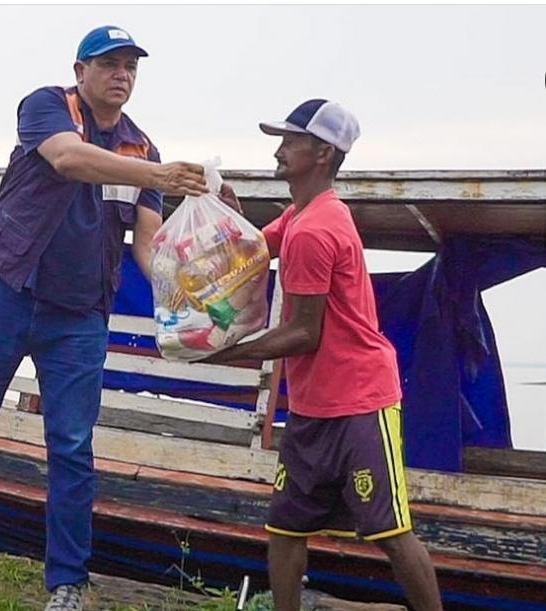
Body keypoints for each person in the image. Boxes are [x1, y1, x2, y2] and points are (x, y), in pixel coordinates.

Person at [0, 25, 207, 611]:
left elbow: (147, 246)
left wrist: (185, 285)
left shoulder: (145, 151)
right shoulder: (46, 107)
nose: (122, 75)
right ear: (80, 70)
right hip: (7, 291)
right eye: (110, 64)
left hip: (79, 315)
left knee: (70, 444)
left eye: (131, 67)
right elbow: (69, 159)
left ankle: (67, 580)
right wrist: (159, 179)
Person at [210, 100, 443, 611]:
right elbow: (251, 253)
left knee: (389, 530)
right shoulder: (301, 216)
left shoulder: (315, 230)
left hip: (359, 401)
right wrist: (226, 215)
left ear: (321, 152)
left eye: (289, 141)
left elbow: (302, 334)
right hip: (315, 404)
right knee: (285, 524)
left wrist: (226, 353)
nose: (278, 150)